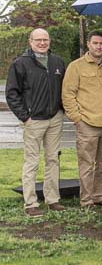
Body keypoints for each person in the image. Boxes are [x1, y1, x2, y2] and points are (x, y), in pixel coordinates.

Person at [62, 30, 102, 209]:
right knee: (86, 164)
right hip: (87, 123)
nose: (98, 46)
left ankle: (99, 196)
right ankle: (87, 201)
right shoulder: (76, 66)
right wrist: (77, 119)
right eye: (95, 43)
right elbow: (68, 94)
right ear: (88, 44)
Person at [6, 28, 66, 217]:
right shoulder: (20, 63)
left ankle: (52, 199)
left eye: (45, 39)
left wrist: (62, 109)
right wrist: (25, 116)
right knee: (31, 161)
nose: (42, 43)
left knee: (52, 159)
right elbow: (12, 93)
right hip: (34, 120)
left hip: (54, 119)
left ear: (49, 41)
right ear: (30, 41)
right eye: (38, 40)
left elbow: (65, 88)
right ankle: (31, 202)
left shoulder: (57, 62)